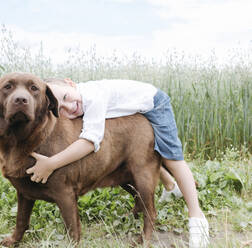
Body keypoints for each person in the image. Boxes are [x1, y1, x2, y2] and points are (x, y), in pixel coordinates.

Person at [26, 78, 209, 248]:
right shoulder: (81, 100)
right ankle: (170, 187)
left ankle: (197, 217)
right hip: (132, 109)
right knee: (144, 153)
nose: (69, 106)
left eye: (65, 97)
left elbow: (90, 142)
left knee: (172, 158)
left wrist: (52, 163)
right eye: (61, 109)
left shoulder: (93, 98)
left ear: (71, 83)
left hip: (154, 103)